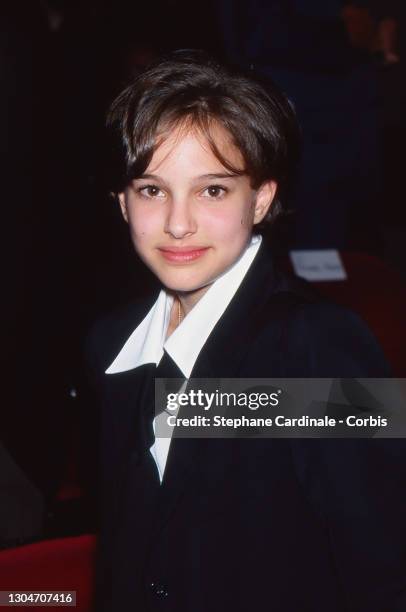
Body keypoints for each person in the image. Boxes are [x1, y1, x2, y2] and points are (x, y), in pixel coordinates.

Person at [85, 50, 406, 612]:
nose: (178, 223)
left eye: (212, 190)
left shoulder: (319, 346)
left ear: (261, 199)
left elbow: (384, 567)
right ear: (121, 202)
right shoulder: (113, 344)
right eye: (152, 190)